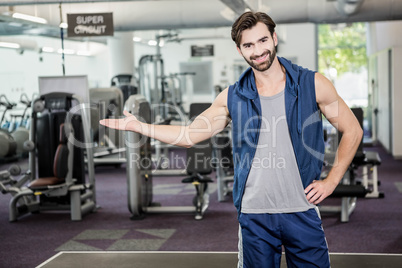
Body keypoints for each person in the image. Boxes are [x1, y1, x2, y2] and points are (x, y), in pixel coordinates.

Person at [100, 11, 363, 268]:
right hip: (255, 215)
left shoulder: (313, 84)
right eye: (248, 45)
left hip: (302, 209)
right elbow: (190, 135)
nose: (258, 51)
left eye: (262, 41)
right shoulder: (233, 96)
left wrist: (332, 180)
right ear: (239, 50)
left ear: (274, 38)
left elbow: (352, 130)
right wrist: (141, 126)